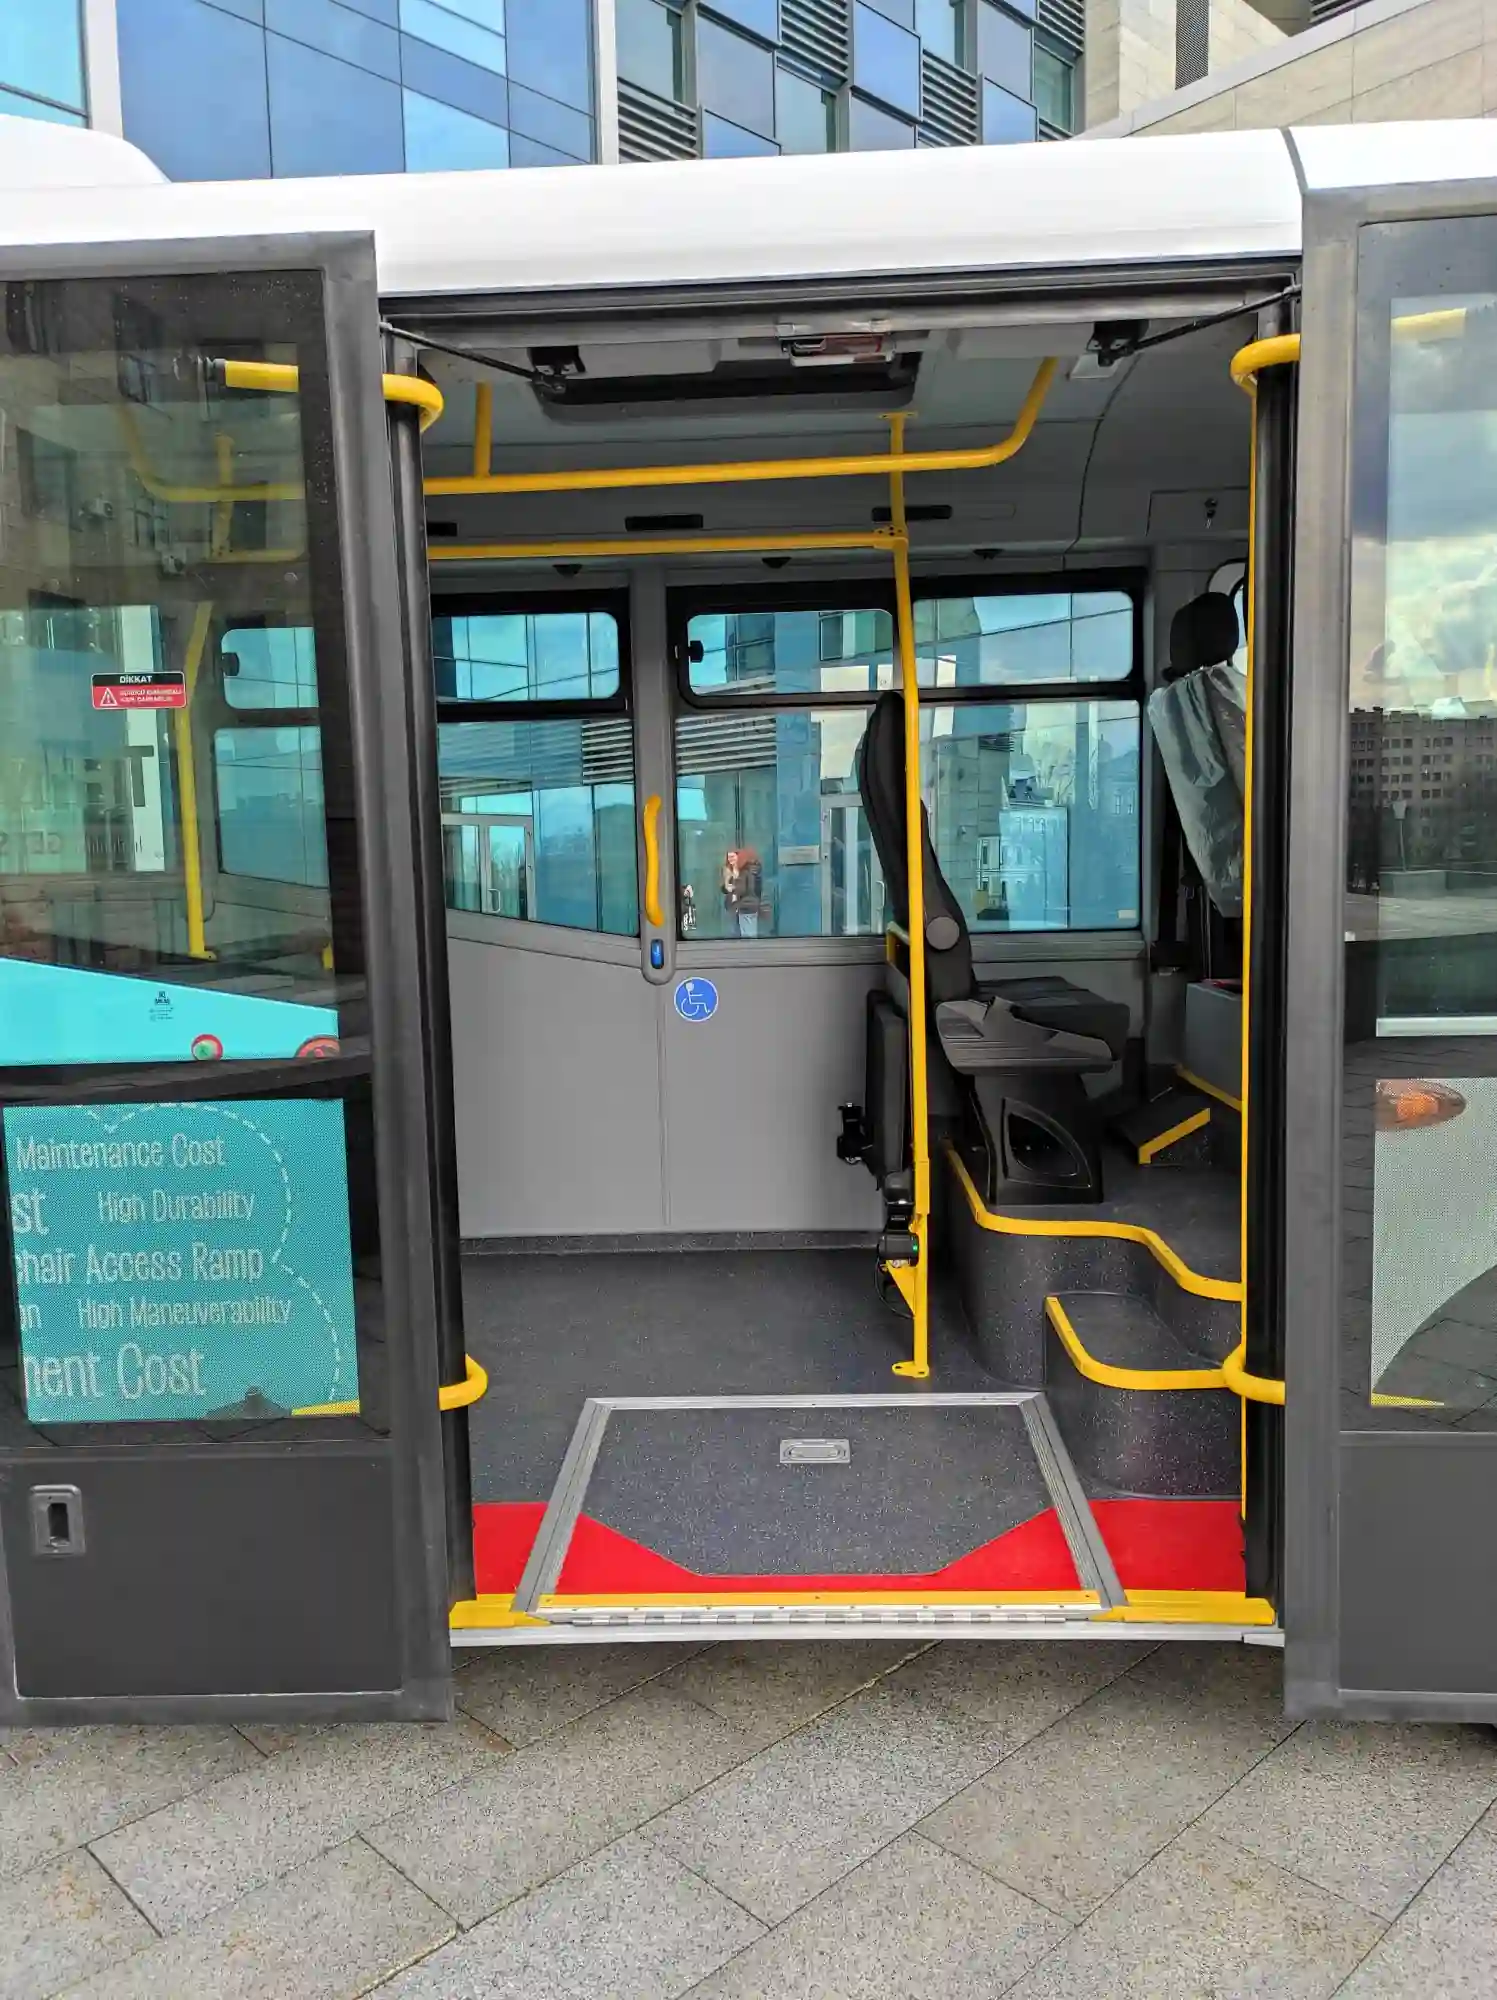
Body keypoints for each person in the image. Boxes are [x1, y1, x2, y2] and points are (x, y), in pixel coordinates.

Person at [722, 846, 764, 938]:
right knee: (737, 935)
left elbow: (745, 889)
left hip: (746, 907)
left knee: (748, 936)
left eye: (732, 856)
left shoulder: (746, 871)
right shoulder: (730, 870)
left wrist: (733, 887)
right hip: (735, 908)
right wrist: (727, 884)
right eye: (728, 857)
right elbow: (725, 888)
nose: (730, 859)